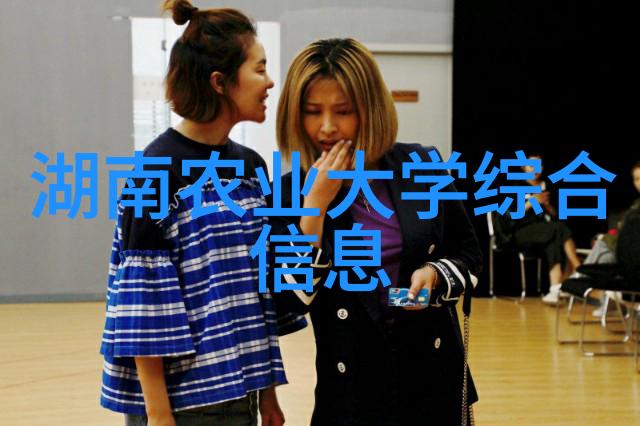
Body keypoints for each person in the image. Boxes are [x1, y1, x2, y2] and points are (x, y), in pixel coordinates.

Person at [99, 2, 300, 425]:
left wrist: (267, 394)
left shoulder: (250, 166)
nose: (270, 82)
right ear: (220, 82)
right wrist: (159, 416)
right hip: (183, 405)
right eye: (259, 69)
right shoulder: (157, 171)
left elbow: (255, 291)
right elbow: (142, 305)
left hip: (241, 392)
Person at [270, 38, 482, 425]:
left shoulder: (421, 164)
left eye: (344, 111)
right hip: (351, 386)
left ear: (370, 109)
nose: (327, 127)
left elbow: (469, 252)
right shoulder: (289, 192)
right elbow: (290, 300)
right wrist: (315, 207)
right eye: (313, 112)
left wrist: (435, 275)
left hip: (432, 375)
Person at [501, 153, 583, 304]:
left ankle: (555, 289)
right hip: (521, 232)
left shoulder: (548, 187)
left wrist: (547, 205)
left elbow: (557, 216)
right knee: (557, 229)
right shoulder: (515, 186)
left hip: (547, 232)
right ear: (524, 168)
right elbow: (507, 217)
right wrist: (531, 202)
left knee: (555, 236)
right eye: (531, 166)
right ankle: (578, 269)